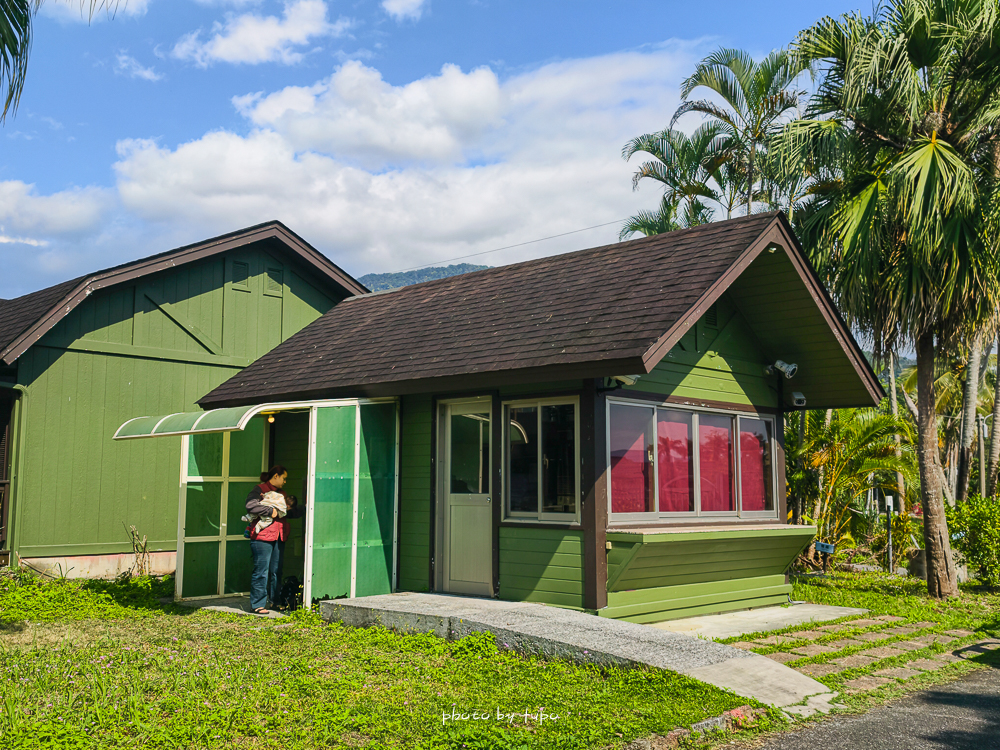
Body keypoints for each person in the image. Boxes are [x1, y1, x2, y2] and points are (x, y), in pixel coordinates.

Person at [246, 465, 304, 614]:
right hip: (262, 537)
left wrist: (307, 509)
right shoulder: (259, 489)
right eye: (284, 478)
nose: (285, 482)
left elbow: (283, 514)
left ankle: (275, 602)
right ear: (276, 476)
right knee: (261, 571)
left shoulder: (282, 493)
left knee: (276, 571)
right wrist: (270, 510)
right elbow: (250, 506)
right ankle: (257, 605)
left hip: (279, 536)